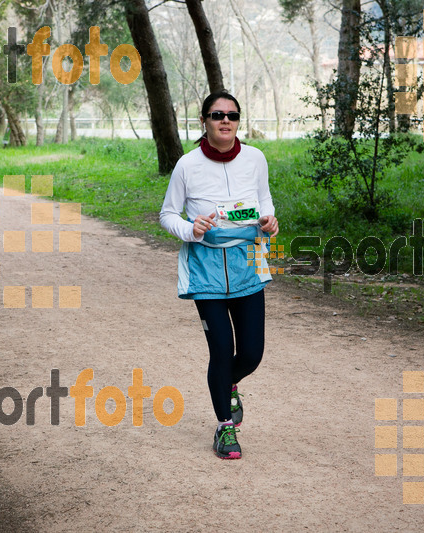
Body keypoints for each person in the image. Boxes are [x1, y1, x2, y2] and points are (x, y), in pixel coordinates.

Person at [160, 91, 279, 460]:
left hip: (248, 264)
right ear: (204, 121)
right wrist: (191, 229)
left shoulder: (256, 159)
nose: (225, 121)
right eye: (217, 115)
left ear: (238, 121)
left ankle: (229, 384)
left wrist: (270, 222)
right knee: (221, 350)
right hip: (205, 270)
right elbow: (167, 215)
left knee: (253, 353)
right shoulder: (187, 165)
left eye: (232, 115)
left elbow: (265, 202)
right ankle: (225, 428)